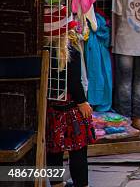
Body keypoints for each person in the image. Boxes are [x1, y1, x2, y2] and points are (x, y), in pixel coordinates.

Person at [47, 22, 95, 187]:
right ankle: (81, 183)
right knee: (78, 149)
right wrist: (82, 102)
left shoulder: (45, 51)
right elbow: (74, 82)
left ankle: (57, 183)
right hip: (71, 107)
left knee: (53, 150)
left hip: (51, 108)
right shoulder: (70, 51)